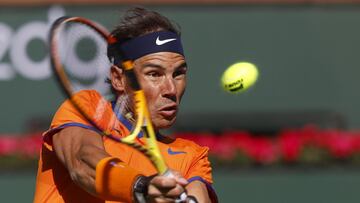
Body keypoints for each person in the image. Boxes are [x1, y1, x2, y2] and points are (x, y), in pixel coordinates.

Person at [34, 7, 217, 203]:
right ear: (118, 79)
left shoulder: (192, 157)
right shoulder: (88, 108)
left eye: (178, 73)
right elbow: (83, 164)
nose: (171, 89)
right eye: (154, 74)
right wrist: (141, 187)